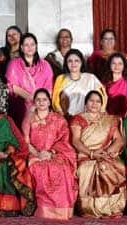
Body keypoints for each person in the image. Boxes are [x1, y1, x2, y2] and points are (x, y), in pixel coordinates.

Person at [23, 88, 77, 220]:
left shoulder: (59, 119)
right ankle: (45, 211)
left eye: (44, 100)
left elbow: (64, 140)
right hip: (35, 154)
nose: (41, 102)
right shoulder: (28, 119)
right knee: (41, 169)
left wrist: (51, 152)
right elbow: (25, 142)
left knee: (61, 169)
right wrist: (38, 154)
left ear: (49, 102)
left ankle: (62, 211)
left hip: (55, 153)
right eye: (38, 100)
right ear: (34, 102)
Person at [70, 90, 126, 218]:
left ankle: (113, 207)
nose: (94, 104)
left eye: (98, 101)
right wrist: (92, 154)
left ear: (102, 104)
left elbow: (119, 139)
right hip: (86, 155)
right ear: (86, 103)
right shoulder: (78, 119)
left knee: (118, 166)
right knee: (87, 170)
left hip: (106, 154)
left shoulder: (108, 120)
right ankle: (90, 209)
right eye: (91, 101)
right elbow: (76, 141)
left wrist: (107, 153)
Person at [5, 32, 53, 125]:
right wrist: (32, 99)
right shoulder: (13, 64)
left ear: (36, 46)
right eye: (26, 45)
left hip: (42, 106)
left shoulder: (45, 65)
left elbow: (49, 88)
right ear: (22, 47)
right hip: (21, 106)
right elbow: (12, 87)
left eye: (32, 44)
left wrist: (40, 102)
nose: (30, 47)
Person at [52, 49, 106, 118]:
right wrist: (63, 116)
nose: (73, 64)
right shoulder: (61, 79)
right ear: (66, 63)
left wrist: (98, 114)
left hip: (89, 118)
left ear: (81, 62)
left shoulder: (91, 78)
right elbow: (55, 100)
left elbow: (102, 98)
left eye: (76, 61)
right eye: (70, 61)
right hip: (67, 118)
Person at [104, 52, 127, 116]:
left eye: (120, 63)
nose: (117, 66)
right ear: (109, 65)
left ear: (124, 65)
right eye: (114, 63)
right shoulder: (105, 83)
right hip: (109, 117)